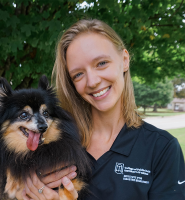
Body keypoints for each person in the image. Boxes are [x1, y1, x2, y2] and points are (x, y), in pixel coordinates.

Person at [21, 19, 185, 200]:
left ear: (124, 60)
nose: (92, 81)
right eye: (78, 74)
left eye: (101, 63)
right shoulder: (54, 144)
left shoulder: (162, 148)